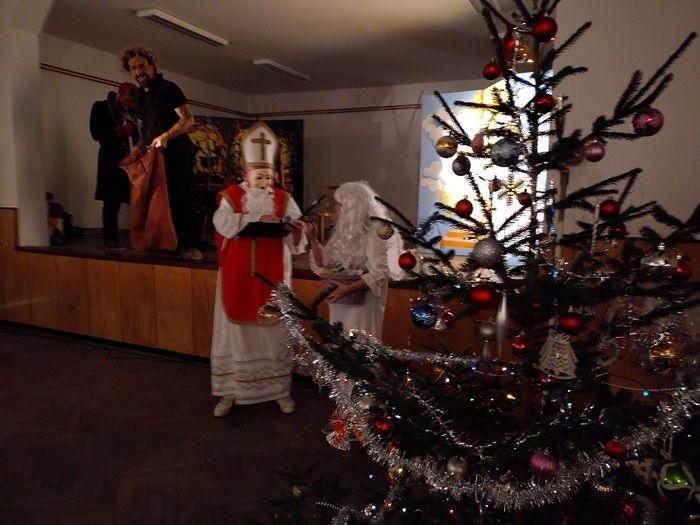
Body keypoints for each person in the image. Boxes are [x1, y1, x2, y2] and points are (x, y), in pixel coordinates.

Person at [210, 121, 307, 417]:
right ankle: (230, 391)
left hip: (274, 277)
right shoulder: (230, 196)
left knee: (274, 333)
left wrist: (296, 230)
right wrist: (252, 219)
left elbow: (298, 238)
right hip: (237, 277)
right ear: (245, 173)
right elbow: (221, 223)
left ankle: (279, 390)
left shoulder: (284, 199)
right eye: (257, 174)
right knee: (235, 334)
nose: (263, 180)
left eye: (267, 175)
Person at [303, 180, 403, 447]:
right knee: (342, 356)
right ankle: (345, 416)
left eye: (340, 204)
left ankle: (366, 419)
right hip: (340, 304)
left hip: (363, 306)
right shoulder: (344, 233)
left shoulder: (377, 231)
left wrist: (347, 288)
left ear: (354, 206)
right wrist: (313, 239)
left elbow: (379, 273)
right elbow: (326, 265)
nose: (336, 209)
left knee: (362, 355)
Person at [119, 45, 203, 260]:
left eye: (142, 66)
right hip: (153, 156)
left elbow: (188, 119)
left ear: (152, 64)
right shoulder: (139, 96)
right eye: (133, 68)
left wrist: (165, 136)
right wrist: (138, 147)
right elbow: (143, 127)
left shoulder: (169, 89)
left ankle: (189, 246)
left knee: (179, 198)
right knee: (156, 201)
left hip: (177, 153)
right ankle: (164, 244)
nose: (138, 72)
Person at [89, 82, 139, 251]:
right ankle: (110, 239)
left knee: (138, 199)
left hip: (132, 159)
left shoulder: (135, 113)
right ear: (121, 92)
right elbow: (96, 133)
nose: (131, 105)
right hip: (111, 158)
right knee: (111, 200)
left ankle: (142, 238)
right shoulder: (102, 107)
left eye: (133, 101)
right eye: (129, 99)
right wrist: (120, 130)